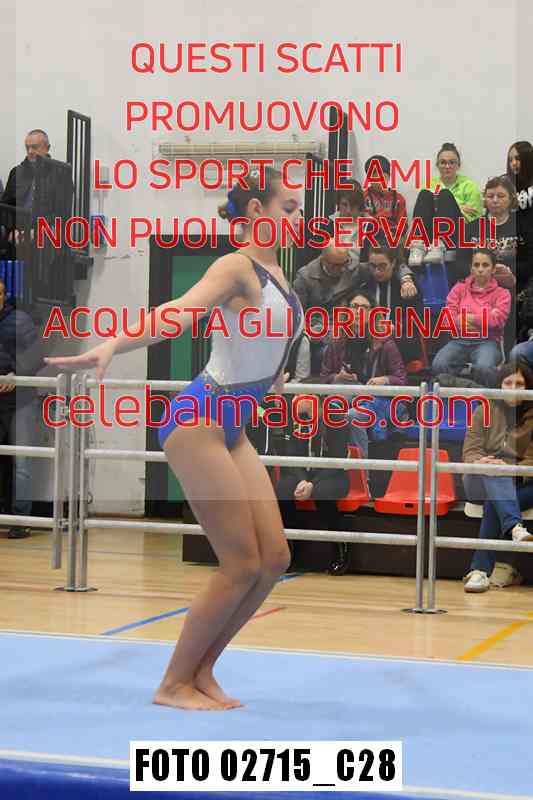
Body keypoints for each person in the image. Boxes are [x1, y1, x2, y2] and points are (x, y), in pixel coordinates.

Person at [44, 168, 304, 711]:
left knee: (274, 559)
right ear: (256, 212)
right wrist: (115, 342)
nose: (298, 217)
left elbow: (262, 342)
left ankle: (202, 670)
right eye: (289, 207)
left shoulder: (282, 275)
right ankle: (173, 683)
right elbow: (179, 312)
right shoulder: (236, 267)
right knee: (241, 564)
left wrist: (275, 373)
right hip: (199, 419)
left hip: (233, 425)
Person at [463, 359, 533, 593]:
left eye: (519, 384)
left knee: (495, 500)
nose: (513, 389)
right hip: (480, 479)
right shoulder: (483, 410)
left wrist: (508, 468)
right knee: (493, 474)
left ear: (528, 386)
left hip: (523, 483)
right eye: (508, 383)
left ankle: (479, 572)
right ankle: (515, 527)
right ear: (499, 385)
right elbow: (470, 451)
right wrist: (480, 462)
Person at [320, 289, 407, 457]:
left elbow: (401, 380)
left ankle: (360, 469)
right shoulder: (337, 340)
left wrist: (384, 379)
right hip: (349, 393)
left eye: (364, 307)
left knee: (353, 414)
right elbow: (324, 378)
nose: (358, 311)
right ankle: (334, 462)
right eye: (354, 306)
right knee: (335, 403)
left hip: (378, 399)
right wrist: (337, 377)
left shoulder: (385, 342)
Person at [274, 390, 350, 574]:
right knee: (282, 490)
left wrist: (312, 483)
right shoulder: (294, 419)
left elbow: (337, 458)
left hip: (330, 474)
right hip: (301, 473)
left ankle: (339, 549)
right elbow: (290, 454)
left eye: (300, 396)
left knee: (322, 493)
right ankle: (291, 549)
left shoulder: (336, 419)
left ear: (314, 399)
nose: (295, 399)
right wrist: (302, 479)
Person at [0, 280, 44, 538]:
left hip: (21, 401)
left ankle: (20, 520)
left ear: (4, 296)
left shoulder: (20, 320)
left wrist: (15, 375)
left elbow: (37, 355)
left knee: (22, 463)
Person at [432, 249, 511, 378]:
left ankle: (483, 392)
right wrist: (467, 321)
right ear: (471, 268)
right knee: (439, 364)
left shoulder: (503, 293)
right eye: (476, 265)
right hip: (459, 340)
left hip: (488, 341)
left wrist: (469, 318)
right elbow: (447, 318)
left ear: (493, 269)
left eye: (485, 265)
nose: (480, 269)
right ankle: (456, 389)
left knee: (484, 368)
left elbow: (497, 320)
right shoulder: (459, 288)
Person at [408, 143, 483, 268]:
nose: (447, 166)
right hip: (431, 233)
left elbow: (474, 219)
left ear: (458, 165)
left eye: (452, 162)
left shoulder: (469, 186)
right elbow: (424, 213)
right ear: (437, 165)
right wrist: (460, 206)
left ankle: (439, 244)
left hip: (457, 233)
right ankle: (418, 246)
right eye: (443, 162)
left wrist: (451, 205)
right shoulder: (430, 184)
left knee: (445, 195)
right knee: (424, 194)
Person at [361, 244, 424, 369]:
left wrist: (395, 327)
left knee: (390, 345)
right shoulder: (365, 283)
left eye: (382, 266)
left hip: (401, 337)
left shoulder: (407, 286)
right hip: (370, 336)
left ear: (393, 263)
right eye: (372, 266)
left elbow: (416, 318)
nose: (377, 271)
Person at [456, 176, 519, 289]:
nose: (495, 200)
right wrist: (482, 273)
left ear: (511, 199)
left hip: (514, 285)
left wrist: (510, 274)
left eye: (501, 196)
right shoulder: (471, 227)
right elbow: (461, 262)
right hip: (478, 286)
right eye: (490, 196)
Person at [506, 141, 533, 289]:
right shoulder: (506, 182)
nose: (513, 163)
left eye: (517, 158)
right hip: (511, 243)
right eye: (510, 159)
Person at [363, 155, 408, 235]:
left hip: (392, 235)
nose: (379, 182)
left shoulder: (399, 199)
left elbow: (403, 226)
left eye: (383, 177)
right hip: (370, 234)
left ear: (389, 177)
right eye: (374, 178)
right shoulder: (363, 196)